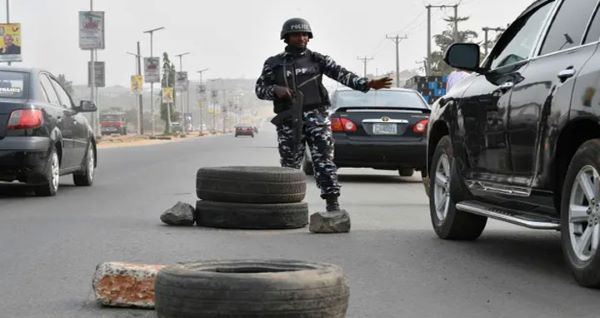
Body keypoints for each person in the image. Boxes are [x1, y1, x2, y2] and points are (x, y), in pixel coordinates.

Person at [255, 17, 392, 212]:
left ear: (309, 37)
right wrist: (275, 90)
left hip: (316, 117)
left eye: (304, 34)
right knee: (289, 165)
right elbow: (260, 89)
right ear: (286, 38)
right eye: (296, 35)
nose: (301, 38)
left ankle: (332, 202)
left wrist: (367, 84)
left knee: (324, 162)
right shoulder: (274, 64)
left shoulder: (318, 60)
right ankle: (288, 204)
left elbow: (341, 74)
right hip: (289, 120)